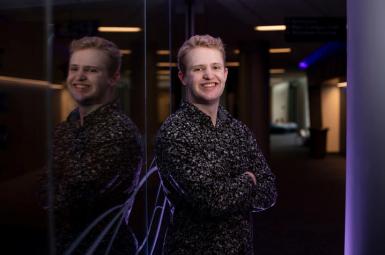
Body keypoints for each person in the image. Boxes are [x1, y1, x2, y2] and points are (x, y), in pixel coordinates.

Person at [155, 35, 277, 254]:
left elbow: (269, 191)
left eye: (215, 67)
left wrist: (229, 190)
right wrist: (248, 180)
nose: (209, 75)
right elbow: (212, 200)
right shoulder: (174, 132)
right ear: (183, 77)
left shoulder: (237, 129)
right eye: (198, 69)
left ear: (225, 74)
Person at [49, 36, 142, 254]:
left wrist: (59, 181)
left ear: (113, 77)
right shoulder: (66, 127)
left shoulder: (119, 131)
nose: (79, 76)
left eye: (91, 70)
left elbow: (73, 200)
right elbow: (46, 193)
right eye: (74, 68)